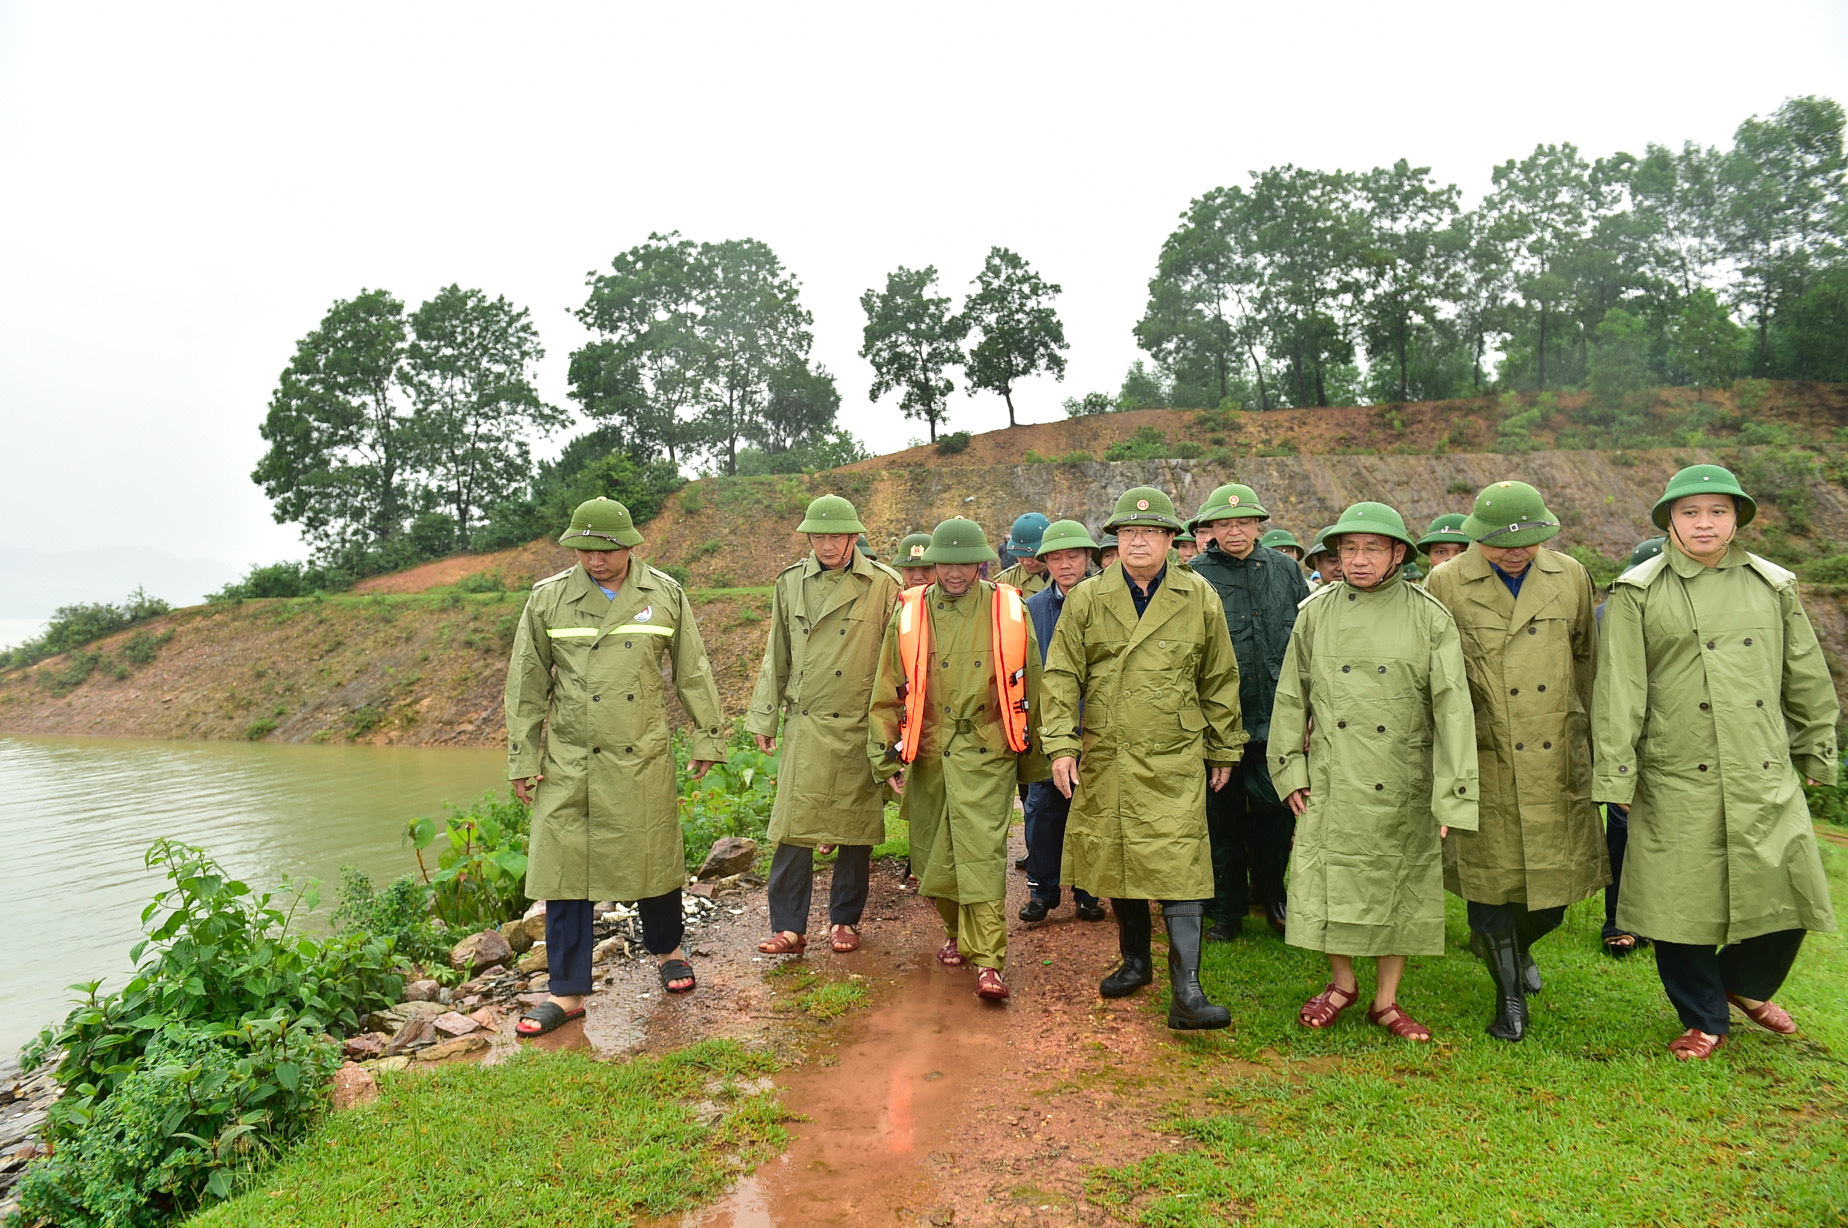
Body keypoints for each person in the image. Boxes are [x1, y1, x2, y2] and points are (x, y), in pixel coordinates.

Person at [1594, 464, 1839, 1061]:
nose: (1705, 523)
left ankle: (1744, 983)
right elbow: (1618, 691)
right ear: (1670, 520)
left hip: (1760, 763)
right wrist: (1616, 773)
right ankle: (1704, 1017)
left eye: (1718, 511)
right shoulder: (1638, 592)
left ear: (1736, 519)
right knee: (1676, 906)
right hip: (1676, 768)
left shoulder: (1774, 585)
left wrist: (1815, 746)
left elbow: (1803, 670)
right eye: (1690, 512)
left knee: (1792, 887)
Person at [505, 498, 728, 1035]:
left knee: (651, 853)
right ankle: (568, 991)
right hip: (571, 758)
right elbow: (527, 682)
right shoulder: (549, 599)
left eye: (604, 550)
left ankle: (668, 951)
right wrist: (522, 754)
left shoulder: (664, 595)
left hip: (640, 749)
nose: (594, 560)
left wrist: (707, 737)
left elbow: (692, 671)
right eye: (583, 550)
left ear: (630, 545)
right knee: (564, 870)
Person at [1269, 502, 1479, 1042]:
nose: (1358, 561)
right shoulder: (1314, 612)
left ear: (1397, 555)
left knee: (1399, 885)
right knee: (1334, 879)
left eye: (1372, 548)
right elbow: (1292, 696)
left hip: (1405, 775)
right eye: (1349, 549)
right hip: (1334, 773)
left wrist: (1452, 794)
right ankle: (1342, 983)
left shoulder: (1430, 617)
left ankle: (1387, 1000)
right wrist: (1290, 768)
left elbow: (1453, 709)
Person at [1041, 486, 1245, 1030]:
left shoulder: (1198, 595)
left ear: (1170, 541)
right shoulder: (1087, 598)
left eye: (1150, 532)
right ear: (1113, 541)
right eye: (1128, 532)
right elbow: (1061, 674)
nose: (1138, 541)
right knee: (1118, 854)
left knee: (1180, 862)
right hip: (1108, 750)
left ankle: (1189, 991)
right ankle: (1135, 960)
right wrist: (1061, 742)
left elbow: (1219, 676)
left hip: (1174, 751)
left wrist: (1225, 743)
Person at [1424, 481, 1607, 1042]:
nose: (1514, 551)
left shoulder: (1571, 576)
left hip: (1554, 752)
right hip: (1485, 753)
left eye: (1527, 540)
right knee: (1490, 887)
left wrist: (1593, 741)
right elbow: (1431, 673)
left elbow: (1586, 662)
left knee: (1553, 895)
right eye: (1501, 542)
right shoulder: (1445, 581)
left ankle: (1517, 946)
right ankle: (1508, 999)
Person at [868, 518, 1049, 1000]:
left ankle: (989, 962)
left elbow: (1032, 680)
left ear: (982, 563)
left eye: (965, 563)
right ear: (932, 564)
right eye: (945, 563)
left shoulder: (1007, 607)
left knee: (982, 855)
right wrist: (885, 756)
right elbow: (888, 686)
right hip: (928, 751)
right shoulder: (909, 612)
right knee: (932, 855)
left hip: (986, 749)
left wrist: (1036, 760)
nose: (954, 573)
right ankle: (954, 932)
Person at [748, 496, 903, 958]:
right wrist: (764, 712)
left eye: (837, 535)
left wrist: (896, 730)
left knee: (854, 829)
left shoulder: (883, 585)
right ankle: (789, 927)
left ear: (854, 537)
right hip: (806, 721)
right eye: (819, 536)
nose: (828, 544)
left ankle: (844, 921)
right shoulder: (790, 583)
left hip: (859, 721)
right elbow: (777, 650)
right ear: (809, 538)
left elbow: (899, 663)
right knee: (793, 827)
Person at [1189, 483, 1310, 942]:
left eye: (1243, 522)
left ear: (1260, 525)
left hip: (1277, 718)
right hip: (1219, 721)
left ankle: (1273, 895)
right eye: (1223, 523)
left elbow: (1304, 640)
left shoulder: (1284, 570)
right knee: (1219, 819)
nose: (1234, 531)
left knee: (1277, 814)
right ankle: (1226, 909)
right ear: (1210, 529)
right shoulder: (1195, 577)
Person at [1019, 520, 1107, 924]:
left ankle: (1088, 892)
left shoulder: (1107, 601)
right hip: (1048, 726)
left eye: (1073, 556)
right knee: (1042, 809)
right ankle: (1043, 889)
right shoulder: (1032, 609)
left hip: (1097, 724)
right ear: (1045, 562)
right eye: (1056, 557)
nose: (1066, 564)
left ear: (1088, 557)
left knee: (1091, 809)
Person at [1596, 534, 1665, 957]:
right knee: (1623, 831)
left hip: (1680, 740)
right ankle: (1618, 921)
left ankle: (1658, 920)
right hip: (1629, 737)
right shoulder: (1609, 615)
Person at [994, 512, 1053, 596]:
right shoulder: (1005, 582)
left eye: (1033, 556)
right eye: (1020, 556)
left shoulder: (1069, 576)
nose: (1026, 562)